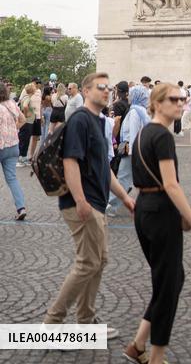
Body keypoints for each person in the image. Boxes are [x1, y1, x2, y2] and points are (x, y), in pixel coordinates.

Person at [43, 72, 135, 336]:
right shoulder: (81, 121)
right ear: (85, 90)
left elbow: (103, 168)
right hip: (81, 203)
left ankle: (85, 320)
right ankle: (51, 324)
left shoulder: (98, 121)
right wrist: (81, 201)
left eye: (108, 88)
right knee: (87, 263)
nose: (106, 91)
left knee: (99, 260)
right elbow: (71, 161)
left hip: (96, 200)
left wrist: (126, 197)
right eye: (100, 87)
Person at [124, 83, 191, 364]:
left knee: (169, 280)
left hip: (144, 210)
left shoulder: (144, 132)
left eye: (182, 99)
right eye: (174, 100)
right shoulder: (162, 136)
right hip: (161, 211)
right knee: (168, 285)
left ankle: (137, 343)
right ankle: (156, 357)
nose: (181, 104)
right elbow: (171, 184)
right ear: (157, 104)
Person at [107, 85, 150, 215]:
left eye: (131, 95)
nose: (128, 97)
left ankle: (111, 205)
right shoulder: (141, 111)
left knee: (123, 178)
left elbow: (133, 132)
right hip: (138, 149)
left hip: (131, 150)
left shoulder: (135, 112)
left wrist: (132, 152)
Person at [0, 81, 27, 220]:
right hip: (13, 146)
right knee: (12, 178)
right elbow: (23, 119)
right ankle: (21, 207)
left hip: (1, 146)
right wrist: (15, 128)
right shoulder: (11, 104)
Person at [17, 83, 37, 165]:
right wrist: (26, 114)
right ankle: (22, 158)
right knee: (25, 140)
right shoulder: (28, 98)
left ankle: (21, 157)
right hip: (27, 122)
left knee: (23, 139)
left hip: (26, 122)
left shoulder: (25, 97)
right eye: (34, 88)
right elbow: (25, 106)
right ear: (32, 90)